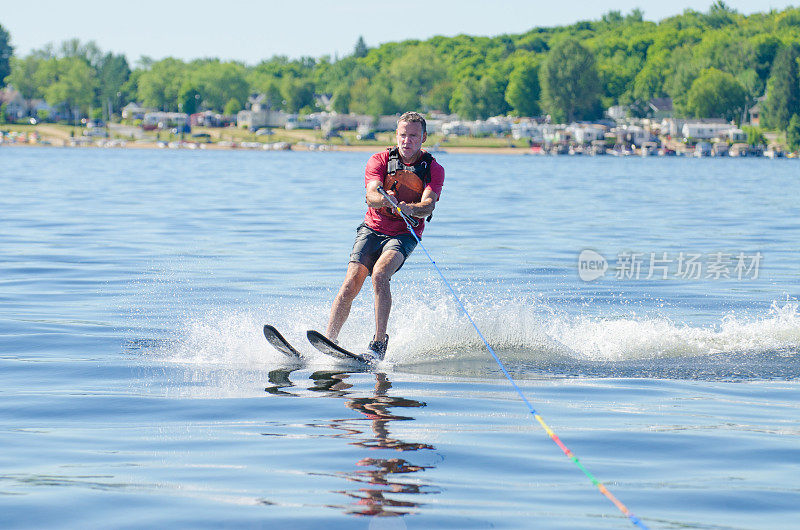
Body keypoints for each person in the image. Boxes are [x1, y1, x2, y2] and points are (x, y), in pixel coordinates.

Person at [324, 111, 445, 361]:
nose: (406, 141)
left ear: (423, 138)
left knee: (379, 275)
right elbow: (371, 195)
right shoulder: (379, 160)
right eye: (402, 135)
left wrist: (409, 209)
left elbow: (429, 205)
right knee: (351, 281)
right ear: (396, 136)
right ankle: (329, 340)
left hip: (404, 233)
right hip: (372, 228)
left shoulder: (433, 168)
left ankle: (378, 344)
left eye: (413, 136)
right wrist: (386, 201)